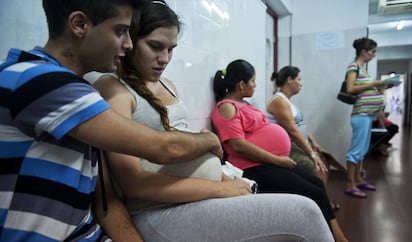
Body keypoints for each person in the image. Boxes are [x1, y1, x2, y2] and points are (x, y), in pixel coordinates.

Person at [92, 1, 335, 241]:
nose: (165, 59)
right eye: (155, 47)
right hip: (159, 210)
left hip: (200, 193)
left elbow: (186, 148)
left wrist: (227, 180)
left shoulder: (167, 84)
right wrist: (221, 188)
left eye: (171, 49)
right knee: (305, 213)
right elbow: (134, 183)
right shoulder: (115, 90)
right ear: (131, 41)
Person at [0, 1, 224, 241]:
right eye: (120, 31)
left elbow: (106, 202)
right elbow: (163, 148)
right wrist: (209, 139)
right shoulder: (37, 80)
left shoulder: (80, 93)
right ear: (79, 25)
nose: (128, 44)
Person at [211, 59, 348, 242]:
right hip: (253, 167)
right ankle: (333, 237)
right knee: (312, 193)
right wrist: (278, 160)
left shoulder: (245, 104)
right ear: (241, 85)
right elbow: (238, 145)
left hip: (269, 162)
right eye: (252, 81)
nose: (255, 84)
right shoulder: (226, 107)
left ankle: (335, 235)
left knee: (317, 185)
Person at [266, 66, 340, 211]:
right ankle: (321, 207)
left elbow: (301, 125)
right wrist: (311, 154)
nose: (301, 83)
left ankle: (323, 202)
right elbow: (293, 131)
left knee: (324, 160)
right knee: (317, 167)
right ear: (289, 80)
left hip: (297, 145)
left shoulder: (288, 101)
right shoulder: (279, 101)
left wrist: (314, 143)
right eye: (299, 79)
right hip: (287, 148)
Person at [343, 37, 387, 199]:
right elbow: (350, 88)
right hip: (360, 115)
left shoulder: (362, 68)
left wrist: (379, 87)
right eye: (372, 51)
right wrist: (374, 83)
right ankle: (350, 184)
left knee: (361, 151)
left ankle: (358, 179)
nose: (374, 55)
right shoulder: (353, 67)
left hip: (367, 115)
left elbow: (364, 88)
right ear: (363, 51)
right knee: (355, 152)